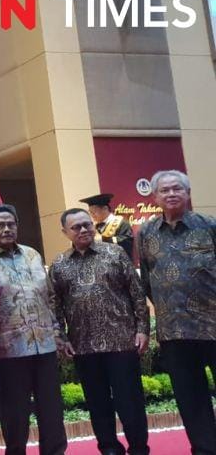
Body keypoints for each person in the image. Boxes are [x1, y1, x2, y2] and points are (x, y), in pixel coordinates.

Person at [49, 208, 150, 455]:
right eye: (76, 227)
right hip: (84, 346)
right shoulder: (59, 264)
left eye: (86, 224)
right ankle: (109, 448)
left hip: (122, 342)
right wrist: (60, 337)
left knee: (130, 402)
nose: (83, 230)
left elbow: (136, 293)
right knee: (97, 403)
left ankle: (138, 448)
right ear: (65, 232)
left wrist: (143, 330)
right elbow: (54, 305)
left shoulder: (114, 253)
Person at [138, 170, 216, 454]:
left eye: (177, 189)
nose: (171, 194)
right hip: (174, 332)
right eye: (165, 190)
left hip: (213, 326)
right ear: (155, 196)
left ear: (188, 193)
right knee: (190, 399)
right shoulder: (146, 233)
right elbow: (146, 280)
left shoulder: (208, 225)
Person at [0, 205, 66, 455]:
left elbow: (50, 297)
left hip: (45, 346)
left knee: (51, 410)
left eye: (12, 224)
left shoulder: (32, 254)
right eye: (1, 225)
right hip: (8, 350)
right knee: (14, 415)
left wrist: (57, 333)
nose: (7, 229)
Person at [79, 193, 134, 258]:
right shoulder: (95, 226)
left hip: (119, 262)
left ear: (105, 209)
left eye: (94, 212)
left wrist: (104, 239)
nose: (92, 215)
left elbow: (127, 241)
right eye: (90, 212)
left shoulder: (121, 223)